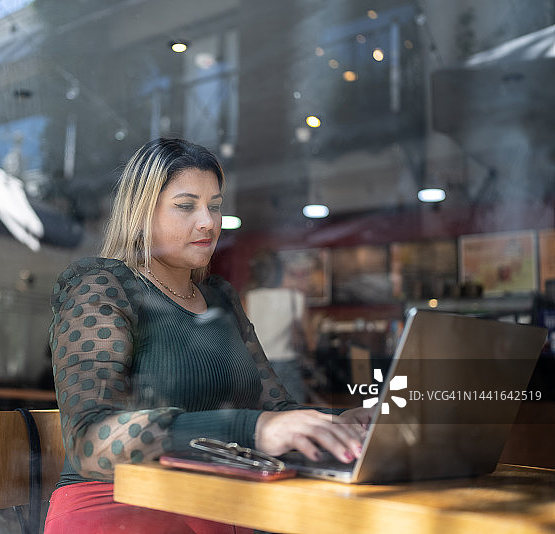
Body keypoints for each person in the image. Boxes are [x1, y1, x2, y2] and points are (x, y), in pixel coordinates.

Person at [45, 138, 371, 533]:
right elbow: (90, 440)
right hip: (119, 507)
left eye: (214, 206)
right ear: (141, 213)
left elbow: (275, 409)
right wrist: (251, 430)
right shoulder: (101, 286)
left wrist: (339, 422)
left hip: (217, 503)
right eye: (186, 206)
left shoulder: (221, 298)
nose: (209, 222)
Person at [245, 250, 311, 403]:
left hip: (257, 365)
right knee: (295, 412)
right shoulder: (296, 297)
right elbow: (311, 342)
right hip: (287, 364)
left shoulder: (246, 299)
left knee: (262, 414)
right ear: (280, 271)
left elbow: (242, 338)